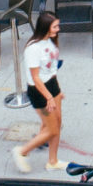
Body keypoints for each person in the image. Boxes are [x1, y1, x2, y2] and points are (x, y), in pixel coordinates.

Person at [14, 11, 64, 173]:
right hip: (39, 91)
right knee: (53, 129)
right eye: (55, 26)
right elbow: (36, 78)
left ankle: (53, 161)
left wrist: (58, 91)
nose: (58, 29)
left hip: (52, 85)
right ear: (45, 28)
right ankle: (22, 152)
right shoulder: (33, 49)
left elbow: (51, 69)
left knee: (56, 123)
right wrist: (49, 97)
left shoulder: (50, 42)